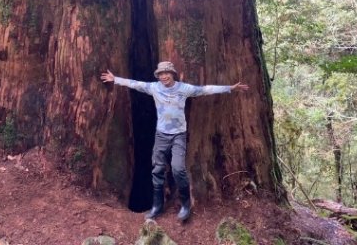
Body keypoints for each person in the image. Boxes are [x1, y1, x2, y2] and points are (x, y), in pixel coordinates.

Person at [101, 61, 248, 222]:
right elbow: (136, 84)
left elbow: (204, 90)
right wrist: (116, 79)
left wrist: (229, 88)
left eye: (166, 73)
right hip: (161, 135)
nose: (164, 76)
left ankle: (185, 204)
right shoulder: (154, 88)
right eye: (161, 74)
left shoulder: (183, 89)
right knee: (157, 169)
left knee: (178, 169)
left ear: (172, 74)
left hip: (178, 135)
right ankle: (157, 205)